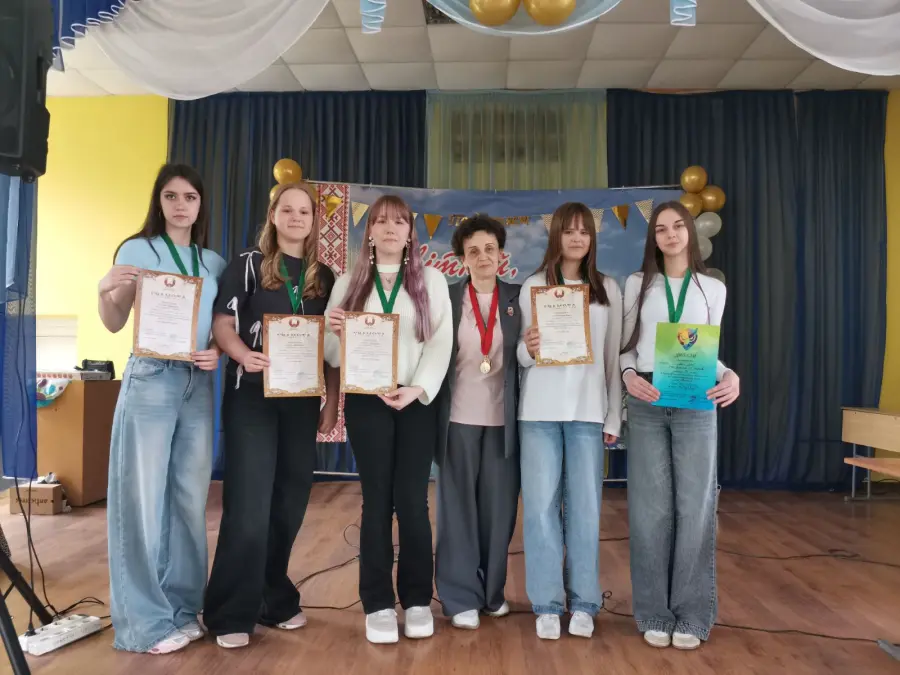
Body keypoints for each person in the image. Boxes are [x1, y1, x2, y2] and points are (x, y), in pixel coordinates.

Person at [203, 182, 339, 649]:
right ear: (274, 215)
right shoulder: (248, 264)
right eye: (288, 209)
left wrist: (331, 403)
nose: (296, 217)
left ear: (314, 220)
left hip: (302, 400)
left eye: (304, 211)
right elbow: (223, 322)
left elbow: (332, 347)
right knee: (248, 504)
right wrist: (243, 354)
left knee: (290, 502)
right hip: (252, 398)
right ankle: (229, 613)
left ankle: (272, 597)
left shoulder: (325, 276)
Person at [99, 163, 226, 654]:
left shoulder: (212, 262)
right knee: (142, 500)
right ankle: (143, 625)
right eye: (171, 196)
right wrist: (103, 289)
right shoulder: (136, 249)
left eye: (190, 197)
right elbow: (113, 321)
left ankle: (181, 608)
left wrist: (216, 351)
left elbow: (217, 328)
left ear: (200, 204)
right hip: (151, 378)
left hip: (198, 383)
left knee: (189, 501)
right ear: (159, 201)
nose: (180, 205)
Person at [325, 195, 452, 644]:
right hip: (366, 400)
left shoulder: (431, 280)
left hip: (416, 399)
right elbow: (332, 355)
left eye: (400, 221)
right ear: (370, 232)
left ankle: (416, 599)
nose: (390, 228)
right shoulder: (348, 283)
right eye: (381, 221)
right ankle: (377, 603)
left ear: (411, 232)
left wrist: (418, 389)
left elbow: (440, 341)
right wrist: (336, 333)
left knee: (413, 502)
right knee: (377, 501)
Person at [620, 201, 740, 651]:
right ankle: (654, 612)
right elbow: (626, 348)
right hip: (649, 398)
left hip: (695, 399)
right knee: (650, 510)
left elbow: (709, 351)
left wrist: (730, 375)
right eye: (661, 229)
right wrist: (629, 376)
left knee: (696, 507)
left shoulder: (713, 289)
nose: (670, 234)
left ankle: (692, 614)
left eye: (677, 226)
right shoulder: (638, 284)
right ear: (653, 238)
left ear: (690, 231)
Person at [517, 202, 623, 641]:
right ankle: (546, 603)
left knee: (585, 510)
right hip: (538, 413)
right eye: (569, 231)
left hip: (587, 414)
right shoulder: (533, 286)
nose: (577, 238)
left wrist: (613, 415)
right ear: (556, 235)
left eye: (584, 231)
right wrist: (529, 348)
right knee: (540, 510)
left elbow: (613, 357)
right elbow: (521, 354)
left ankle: (583, 603)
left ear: (592, 238)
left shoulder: (607, 289)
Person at [434, 215, 521, 631]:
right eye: (473, 251)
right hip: (456, 418)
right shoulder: (447, 298)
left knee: (498, 510)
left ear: (502, 254)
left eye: (490, 248)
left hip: (505, 421)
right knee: (457, 510)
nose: (483, 256)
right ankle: (459, 596)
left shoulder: (521, 298)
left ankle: (492, 593)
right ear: (461, 259)